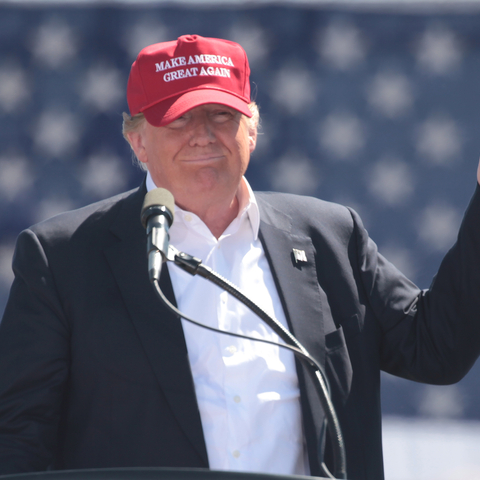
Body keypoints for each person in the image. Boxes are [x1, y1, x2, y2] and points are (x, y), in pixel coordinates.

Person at [0, 34, 479, 480]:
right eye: (179, 118)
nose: (204, 135)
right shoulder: (63, 258)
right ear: (138, 140)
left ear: (252, 130)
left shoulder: (330, 237)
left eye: (222, 116)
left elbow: (437, 348)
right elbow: (19, 438)